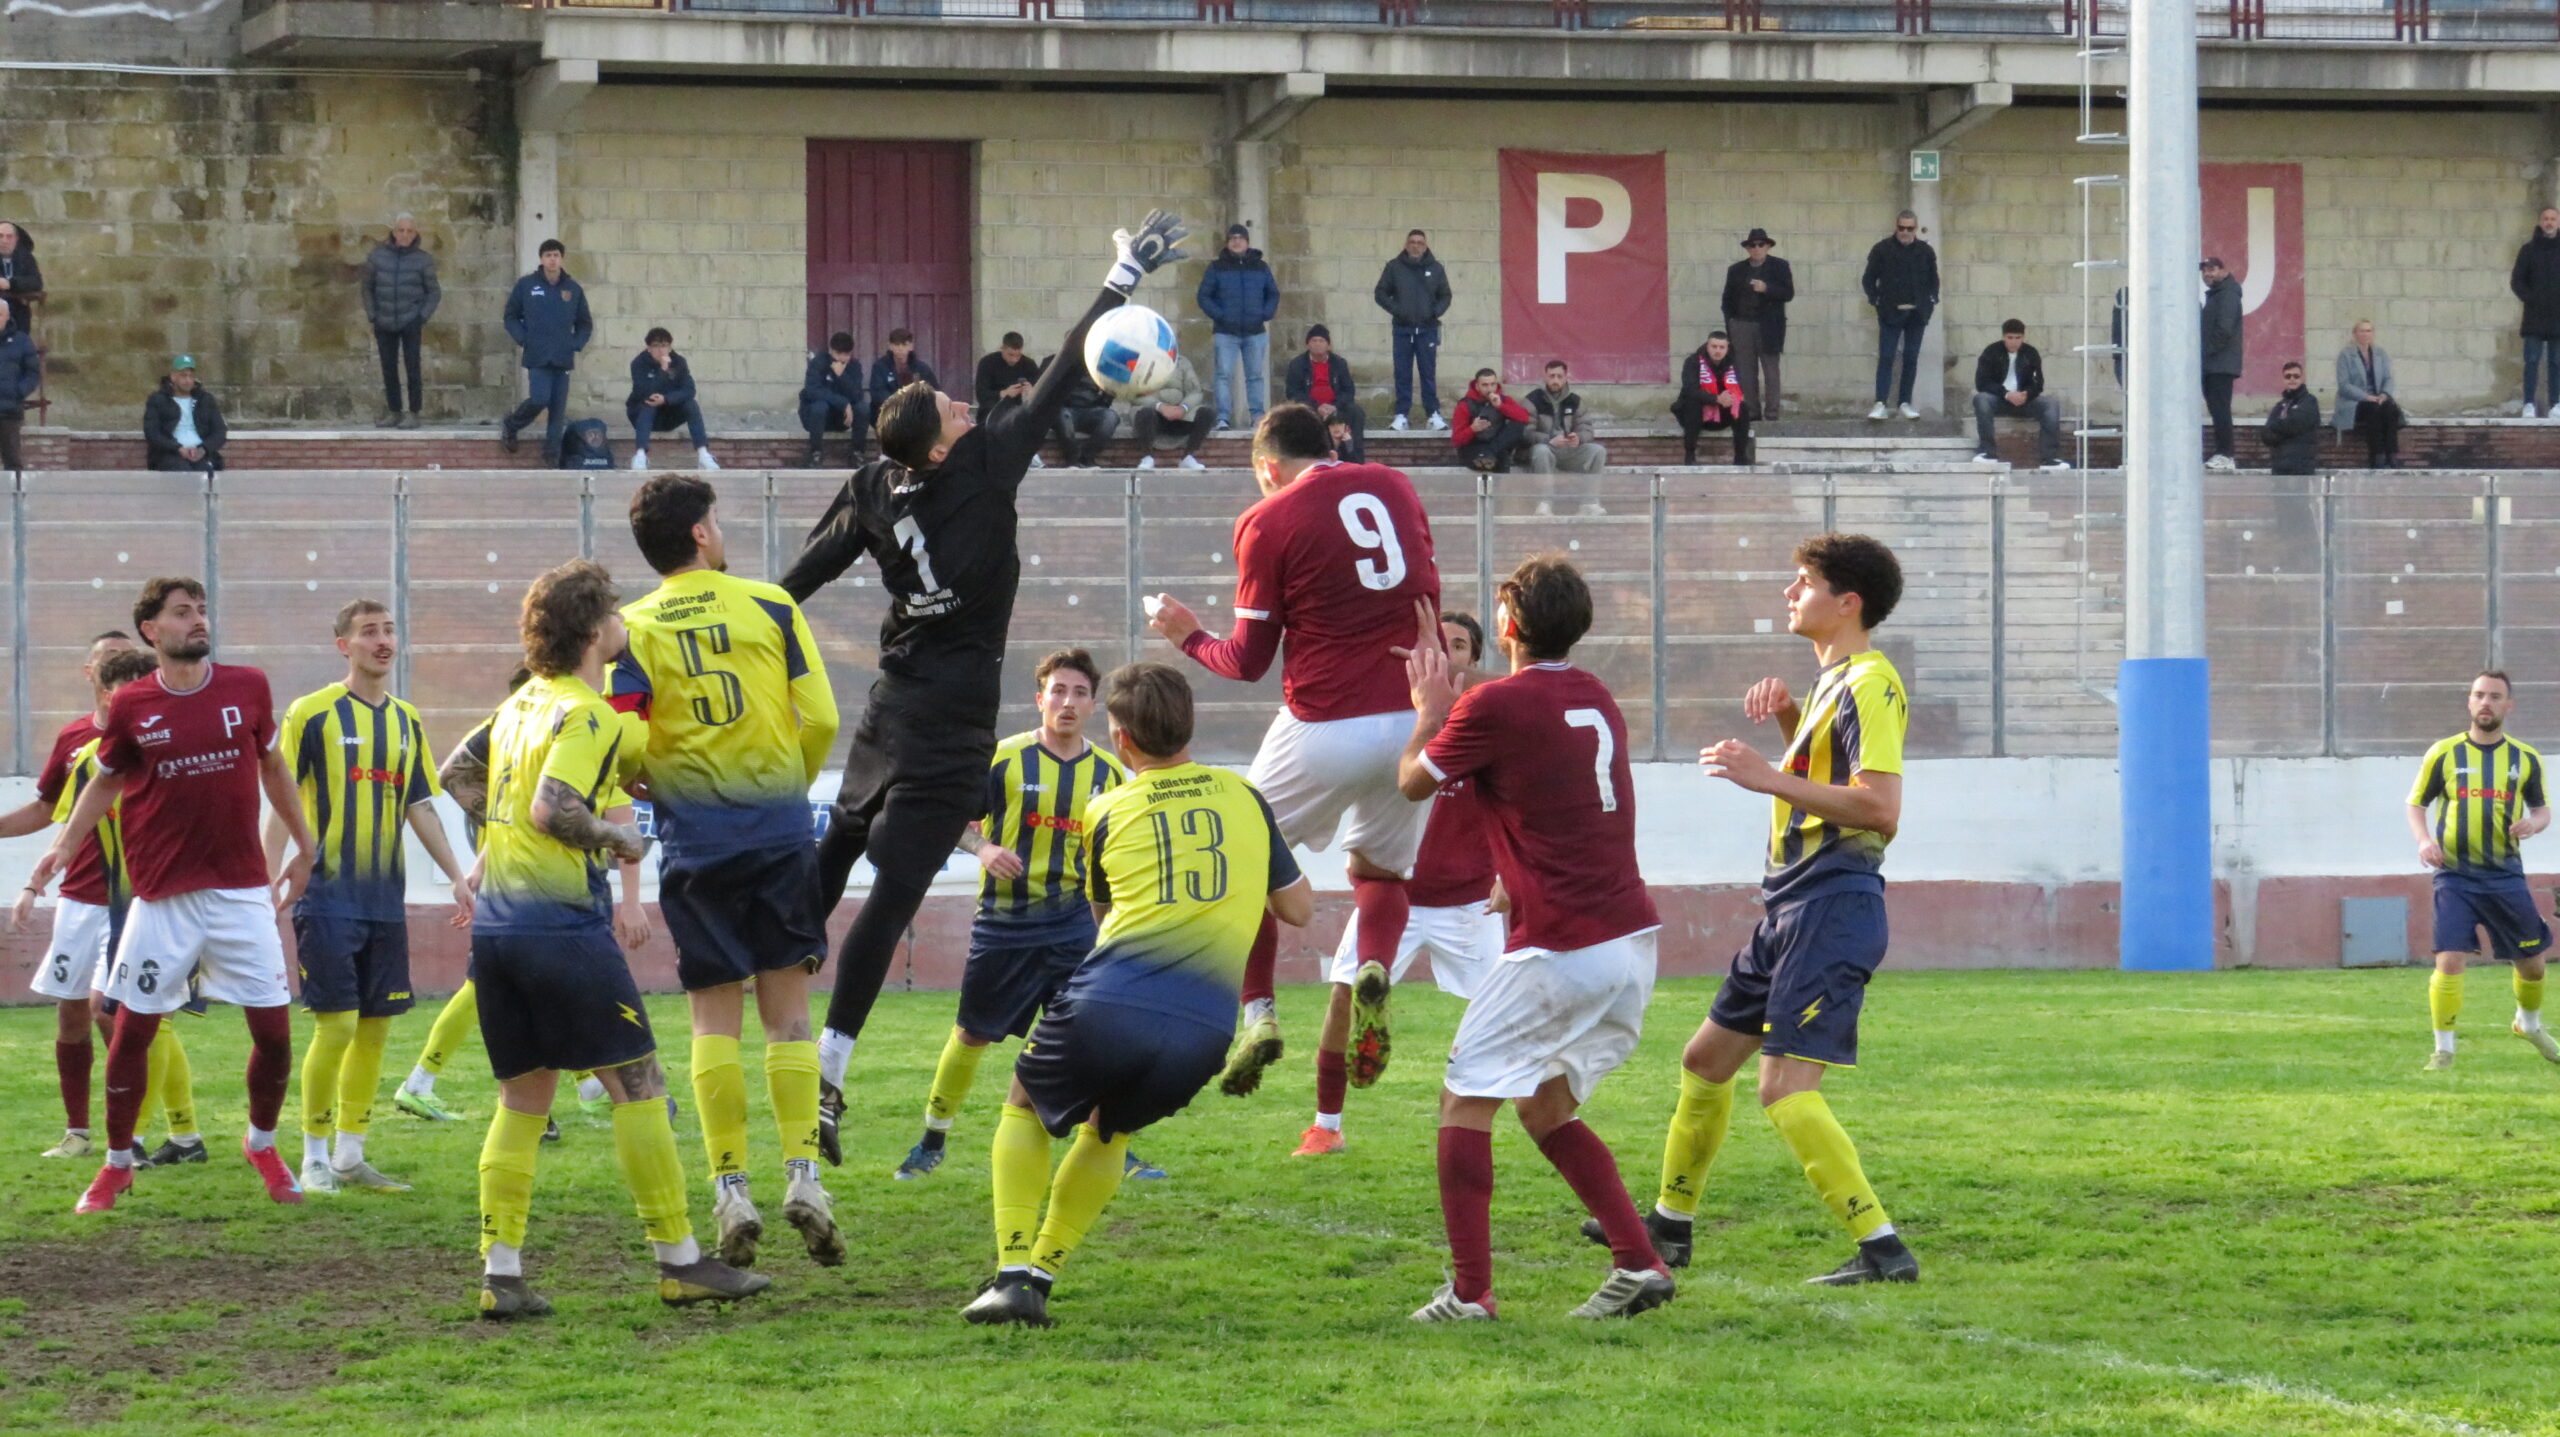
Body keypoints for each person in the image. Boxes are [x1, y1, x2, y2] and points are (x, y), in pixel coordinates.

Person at [779, 210, 1190, 1166]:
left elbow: (805, 573)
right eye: (951, 408)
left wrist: (743, 622)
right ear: (937, 448)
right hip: (952, 722)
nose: (965, 405)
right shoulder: (984, 466)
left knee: (838, 844)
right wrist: (1119, 279)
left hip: (890, 705)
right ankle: (826, 1072)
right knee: (893, 895)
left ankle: (778, 973)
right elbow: (1060, 374)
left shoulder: (875, 481)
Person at [962, 662, 1313, 1328]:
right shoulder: (1245, 795)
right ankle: (1041, 1278)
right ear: (1190, 725)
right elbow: (1297, 909)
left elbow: (1102, 919)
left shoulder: (1105, 807)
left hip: (1110, 1003)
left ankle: (1011, 1275)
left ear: (1120, 738)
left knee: (1025, 1102)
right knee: (1110, 1127)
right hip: (1205, 1033)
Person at [467, 559, 767, 1317]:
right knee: (640, 1084)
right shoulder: (586, 711)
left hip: (497, 930)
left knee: (523, 1099)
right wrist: (615, 840)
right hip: (560, 928)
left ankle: (501, 1275)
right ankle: (680, 1261)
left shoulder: (520, 704)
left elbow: (457, 774)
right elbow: (553, 807)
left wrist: (504, 837)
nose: (623, 621)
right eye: (613, 611)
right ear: (594, 629)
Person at [1626, 533, 1918, 1288]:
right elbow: (1831, 781)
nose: (1790, 593)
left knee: (1785, 1087)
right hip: (1791, 906)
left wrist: (1765, 776)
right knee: (1705, 1060)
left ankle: (1883, 1249)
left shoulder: (1870, 681)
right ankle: (1671, 1225)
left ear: (1847, 603)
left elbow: (1879, 809)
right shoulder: (1832, 682)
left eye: (1804, 582)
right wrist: (1791, 720)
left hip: (1832, 903)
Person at [1397, 557, 1672, 1322]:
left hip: (1563, 943)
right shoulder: (1595, 695)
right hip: (1629, 939)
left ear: (1509, 623)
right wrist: (1515, 873)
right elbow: (1557, 797)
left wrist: (1428, 711)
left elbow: (1412, 782)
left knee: (1464, 1098)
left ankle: (1470, 1293)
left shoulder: (1496, 704)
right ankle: (1639, 1262)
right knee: (1546, 1107)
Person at [1145, 403, 1440, 1106]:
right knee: (1380, 870)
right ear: (1331, 444)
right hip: (1412, 712)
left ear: (1268, 467)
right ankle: (1373, 966)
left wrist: (1188, 636)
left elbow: (1247, 661)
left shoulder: (1267, 518)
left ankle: (1259, 1013)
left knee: (1244, 856)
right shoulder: (1394, 484)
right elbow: (1427, 598)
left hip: (1325, 722)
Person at [27, 577, 322, 1214]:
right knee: (130, 1032)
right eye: (183, 613)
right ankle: (115, 1166)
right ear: (151, 630)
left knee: (274, 1036)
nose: (198, 621)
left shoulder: (248, 686)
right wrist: (63, 847)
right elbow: (105, 782)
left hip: (241, 892)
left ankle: (262, 1146)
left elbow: (274, 767)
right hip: (161, 898)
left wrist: (305, 846)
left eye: (202, 610)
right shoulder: (133, 703)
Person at [612, 474, 845, 1269]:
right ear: (702, 534)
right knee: (789, 1016)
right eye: (717, 517)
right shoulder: (771, 606)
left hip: (696, 843)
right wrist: (786, 783)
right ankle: (804, 1177)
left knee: (714, 1019)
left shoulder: (631, 628)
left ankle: (730, 1188)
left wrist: (647, 776)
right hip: (778, 832)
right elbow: (823, 717)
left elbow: (624, 739)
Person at [892, 649, 1151, 1181]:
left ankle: (1110, 1143)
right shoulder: (1004, 759)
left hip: (1074, 922)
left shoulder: (1110, 774)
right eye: (1058, 691)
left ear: (1094, 705)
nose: (1067, 702)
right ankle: (932, 1139)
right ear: (1040, 699)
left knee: (1092, 1033)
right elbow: (951, 819)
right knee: (972, 1034)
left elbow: (1120, 850)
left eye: (1079, 693)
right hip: (1004, 921)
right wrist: (984, 848)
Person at [268, 599, 473, 1196]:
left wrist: (457, 875)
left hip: (384, 899)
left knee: (376, 1027)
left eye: (388, 630)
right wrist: (266, 874)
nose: (383, 641)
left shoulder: (407, 720)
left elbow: (419, 804)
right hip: (326, 895)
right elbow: (282, 796)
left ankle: (350, 1155)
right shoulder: (312, 713)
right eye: (368, 632)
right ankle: (313, 1155)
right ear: (344, 646)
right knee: (336, 1026)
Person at [1291, 611, 1496, 1158]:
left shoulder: (1488, 722)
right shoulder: (1391, 721)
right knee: (1344, 996)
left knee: (1511, 1011)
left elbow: (1518, 805)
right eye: (1435, 644)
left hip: (1471, 904)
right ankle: (1326, 1127)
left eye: (1457, 646)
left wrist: (1510, 877)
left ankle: (1528, 1112)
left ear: (1473, 660)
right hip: (1394, 894)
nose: (1443, 654)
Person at [5, 636, 144, 1157]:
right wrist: (31, 879)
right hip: (79, 898)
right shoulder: (74, 738)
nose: (118, 666)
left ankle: (132, 1135)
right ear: (92, 674)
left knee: (108, 1011)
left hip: (133, 898)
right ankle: (78, 1133)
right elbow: (47, 811)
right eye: (109, 659)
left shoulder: (155, 737)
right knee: (70, 1015)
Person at [2408, 671, 2556, 1072]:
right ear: (2469, 702)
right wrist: (2424, 841)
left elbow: (2542, 810)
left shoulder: (2525, 758)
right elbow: (2416, 804)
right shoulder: (2444, 752)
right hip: (2454, 875)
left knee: (2532, 963)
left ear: (2508, 705)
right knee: (2450, 959)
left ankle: (2528, 1024)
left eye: (2494, 696)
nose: (2485, 702)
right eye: (2479, 695)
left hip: (2504, 875)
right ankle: (2444, 1051)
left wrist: (2534, 824)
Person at [500, 240, 592, 465]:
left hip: (562, 356)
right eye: (548, 255)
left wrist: (575, 343)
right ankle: (512, 424)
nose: (552, 259)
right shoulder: (527, 285)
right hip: (538, 354)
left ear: (562, 258)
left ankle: (552, 457)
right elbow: (510, 316)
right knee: (540, 398)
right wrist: (523, 338)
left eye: (556, 255)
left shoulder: (573, 289)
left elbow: (585, 323)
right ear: (541, 258)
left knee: (558, 410)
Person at [361, 213, 440, 429]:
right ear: (394, 232)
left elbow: (434, 292)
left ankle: (414, 412)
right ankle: (394, 411)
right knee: (388, 368)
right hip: (384, 320)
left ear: (415, 234)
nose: (405, 234)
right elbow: (367, 287)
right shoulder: (377, 256)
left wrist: (421, 317)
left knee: (412, 367)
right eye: (401, 230)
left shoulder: (423, 260)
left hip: (410, 319)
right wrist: (372, 314)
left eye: (409, 231)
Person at [1198, 224, 1279, 431]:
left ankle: (1257, 417)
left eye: (1240, 238)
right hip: (1226, 332)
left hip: (1255, 332)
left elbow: (1273, 293)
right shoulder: (1216, 267)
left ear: (1247, 242)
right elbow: (1204, 296)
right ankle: (1223, 418)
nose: (1236, 241)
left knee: (1255, 377)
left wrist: (1265, 314)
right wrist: (1221, 316)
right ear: (1227, 243)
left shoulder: (1261, 267)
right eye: (1232, 238)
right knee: (1223, 375)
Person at [1862, 211, 1937, 421]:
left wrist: (1931, 301)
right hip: (1890, 312)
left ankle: (1905, 402)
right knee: (1886, 356)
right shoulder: (1882, 249)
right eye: (1901, 228)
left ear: (1915, 229)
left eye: (1909, 228)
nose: (1905, 232)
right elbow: (1868, 279)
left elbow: (1933, 280)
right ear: (1896, 227)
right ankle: (1880, 403)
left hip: (1917, 314)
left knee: (1911, 357)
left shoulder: (1925, 251)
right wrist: (1876, 300)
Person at [1374, 229, 1452, 432]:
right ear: (1406, 245)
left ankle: (1433, 414)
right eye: (1412, 242)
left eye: (1420, 242)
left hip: (1427, 330)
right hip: (1402, 329)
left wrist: (1435, 312)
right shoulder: (1394, 267)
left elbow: (1445, 295)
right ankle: (1401, 415)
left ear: (1425, 246)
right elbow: (1380, 293)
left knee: (1428, 372)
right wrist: (1397, 310)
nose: (1416, 246)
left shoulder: (1436, 268)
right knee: (1402, 372)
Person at [1969, 319, 2067, 471]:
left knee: (2051, 404)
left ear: (2023, 337)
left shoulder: (2030, 353)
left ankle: (2049, 458)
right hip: (1999, 400)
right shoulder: (1991, 352)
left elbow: (2038, 383)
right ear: (2003, 337)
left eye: (2017, 338)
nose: (2014, 342)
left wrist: (2027, 394)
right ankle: (1987, 453)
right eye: (2010, 338)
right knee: (1981, 399)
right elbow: (1982, 382)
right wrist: (2006, 394)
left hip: (2024, 401)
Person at [1721, 228, 1793, 421]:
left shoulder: (1779, 266)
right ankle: (1752, 412)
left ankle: (1772, 413)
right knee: (1745, 371)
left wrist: (1767, 288)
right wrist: (1731, 324)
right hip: (1742, 325)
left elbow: (1788, 293)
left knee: (1771, 370)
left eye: (1761, 244)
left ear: (1768, 246)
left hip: (1768, 326)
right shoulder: (1736, 270)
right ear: (1747, 248)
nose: (1757, 248)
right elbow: (1727, 300)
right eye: (1752, 245)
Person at [625, 328, 718, 473]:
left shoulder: (679, 362)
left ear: (669, 347)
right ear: (649, 348)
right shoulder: (638, 363)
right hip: (642, 416)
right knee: (648, 403)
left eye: (664, 346)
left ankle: (703, 455)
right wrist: (663, 370)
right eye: (656, 346)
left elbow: (689, 390)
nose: (660, 350)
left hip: (669, 415)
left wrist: (666, 399)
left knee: (691, 404)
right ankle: (640, 456)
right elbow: (643, 392)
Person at [1525, 359, 1608, 513]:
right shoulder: (1532, 400)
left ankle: (1589, 503)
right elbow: (1525, 432)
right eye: (1552, 376)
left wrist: (1578, 438)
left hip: (1569, 450)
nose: (1555, 380)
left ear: (1565, 377)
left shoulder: (1575, 401)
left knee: (1598, 451)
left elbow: (1587, 429)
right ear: (1545, 376)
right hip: (1546, 450)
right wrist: (1549, 440)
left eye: (1559, 376)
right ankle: (1545, 502)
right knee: (1541, 450)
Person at [1283, 325, 1365, 465]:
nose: (1318, 344)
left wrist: (1334, 406)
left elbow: (1348, 391)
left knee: (1356, 412)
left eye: (1321, 341)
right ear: (1308, 344)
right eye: (1314, 341)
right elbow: (1293, 393)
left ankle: (1355, 461)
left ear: (1328, 345)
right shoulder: (1297, 364)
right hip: (1310, 408)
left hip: (1335, 407)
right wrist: (1316, 407)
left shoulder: (1339, 363)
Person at [1671, 333, 1752, 466]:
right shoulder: (1693, 362)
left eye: (1722, 347)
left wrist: (1731, 398)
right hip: (1696, 415)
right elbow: (1690, 390)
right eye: (1714, 346)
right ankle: (1690, 455)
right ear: (1707, 346)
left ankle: (1740, 457)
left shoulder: (1733, 362)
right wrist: (1716, 399)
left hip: (1722, 414)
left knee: (1742, 406)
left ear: (1727, 348)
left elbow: (1740, 387)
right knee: (1692, 403)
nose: (1717, 351)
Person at [2335, 320, 2405, 468]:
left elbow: (2388, 378)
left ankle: (2391, 454)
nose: (2365, 334)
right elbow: (2344, 385)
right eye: (2362, 331)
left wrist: (2384, 394)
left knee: (2390, 409)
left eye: (2368, 331)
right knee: (2373, 410)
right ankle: (2377, 455)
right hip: (2355, 402)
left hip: (2378, 399)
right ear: (2355, 334)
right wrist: (2366, 397)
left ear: (2373, 334)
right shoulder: (2346, 355)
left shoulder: (2380, 354)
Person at [2512, 208, 2560, 419]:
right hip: (2534, 317)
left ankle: (2556, 404)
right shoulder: (2528, 250)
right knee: (2531, 361)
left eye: (2553, 219)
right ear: (2540, 222)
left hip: (2558, 317)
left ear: (2558, 223)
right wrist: (2532, 300)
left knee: (2557, 363)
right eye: (2546, 219)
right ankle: (2528, 404)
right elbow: (2517, 281)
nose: (2549, 222)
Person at [1129, 350, 1210, 470]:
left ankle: (1187, 456)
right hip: (1154, 412)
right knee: (1144, 414)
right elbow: (1135, 394)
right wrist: (1160, 406)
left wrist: (1183, 408)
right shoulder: (1142, 362)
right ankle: (1147, 456)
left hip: (1180, 413)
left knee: (1207, 413)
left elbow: (1195, 392)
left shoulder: (1182, 362)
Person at [143, 357, 226, 474]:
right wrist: (178, 448)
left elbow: (220, 431)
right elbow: (152, 432)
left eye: (191, 376)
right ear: (173, 377)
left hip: (201, 452)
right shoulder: (158, 400)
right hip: (170, 454)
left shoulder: (205, 399)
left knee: (206, 472)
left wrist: (203, 449)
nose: (188, 380)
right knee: (181, 472)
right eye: (183, 376)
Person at [800, 332, 869, 469]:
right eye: (838, 354)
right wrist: (843, 403)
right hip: (815, 418)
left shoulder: (854, 366)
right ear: (830, 350)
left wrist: (842, 376)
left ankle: (857, 453)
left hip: (841, 419)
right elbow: (813, 391)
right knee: (820, 406)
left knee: (863, 408)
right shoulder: (818, 363)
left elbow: (857, 395)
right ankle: (815, 453)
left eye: (846, 354)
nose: (842, 359)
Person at [2201, 256, 2244, 471]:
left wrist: (2205, 352)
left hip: (2220, 364)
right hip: (2215, 364)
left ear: (2223, 270)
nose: (2207, 274)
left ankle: (2226, 454)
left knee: (2220, 409)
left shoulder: (2227, 295)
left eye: (2212, 269)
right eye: (2204, 271)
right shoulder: (2218, 295)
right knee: (2217, 409)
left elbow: (2224, 330)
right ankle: (2223, 453)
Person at [1044, 349, 1120, 468]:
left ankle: (1087, 456)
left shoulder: (1099, 365)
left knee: (1111, 417)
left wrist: (1106, 399)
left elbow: (1108, 392)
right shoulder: (1052, 362)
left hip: (1090, 410)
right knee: (1062, 415)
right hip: (1063, 409)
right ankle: (1073, 458)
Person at [1450, 369, 1531, 474]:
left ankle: (1490, 453)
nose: (1490, 389)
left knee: (1517, 426)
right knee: (1489, 461)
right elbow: (1456, 440)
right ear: (1477, 386)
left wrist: (1501, 406)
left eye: (1493, 384)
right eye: (1485, 385)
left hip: (1497, 445)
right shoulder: (1465, 405)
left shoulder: (1503, 400)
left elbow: (1524, 418)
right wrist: (1472, 429)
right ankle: (1488, 458)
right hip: (1473, 447)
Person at [2262, 361, 2323, 476]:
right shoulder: (2280, 406)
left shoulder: (2309, 401)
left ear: (2302, 378)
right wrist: (2283, 428)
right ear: (2283, 379)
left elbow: (2295, 424)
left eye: (2296, 376)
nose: (2292, 379)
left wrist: (2277, 427)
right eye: (2288, 376)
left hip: (2302, 468)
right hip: (2279, 468)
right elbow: (2266, 434)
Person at [0, 295, 39, 472]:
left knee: (13, 461)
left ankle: (15, 490)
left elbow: (32, 373)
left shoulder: (21, 341)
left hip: (9, 413)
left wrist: (18, 392)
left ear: (7, 316)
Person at [868, 329, 939, 417]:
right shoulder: (880, 366)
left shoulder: (921, 368)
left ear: (911, 346)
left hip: (916, 413)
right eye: (897, 345)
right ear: (890, 346)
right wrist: (898, 403)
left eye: (904, 345)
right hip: (887, 413)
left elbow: (934, 391)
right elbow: (878, 393)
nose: (900, 349)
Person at [974, 333, 1040, 421]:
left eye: (1018, 355)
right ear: (1002, 349)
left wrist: (1030, 392)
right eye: (1010, 355)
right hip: (991, 413)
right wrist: (1004, 394)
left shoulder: (1029, 365)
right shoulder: (987, 363)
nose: (1014, 360)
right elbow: (981, 395)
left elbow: (1039, 393)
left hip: (1020, 413)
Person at [0, 219, 43, 334]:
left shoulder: (26, 258)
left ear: (16, 239)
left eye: (9, 237)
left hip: (19, 313)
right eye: (0, 236)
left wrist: (10, 283)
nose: (4, 241)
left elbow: (36, 282)